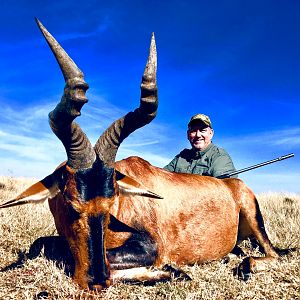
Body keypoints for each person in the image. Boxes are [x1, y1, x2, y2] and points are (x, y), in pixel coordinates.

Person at [164, 113, 236, 178]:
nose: (198, 135)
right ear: (188, 135)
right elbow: (162, 176)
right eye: (193, 131)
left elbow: (225, 188)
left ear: (211, 133)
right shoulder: (181, 157)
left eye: (203, 130)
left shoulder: (219, 156)